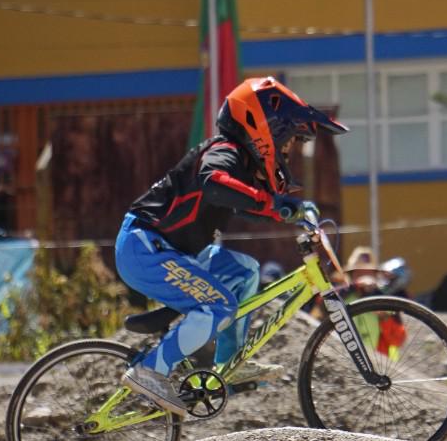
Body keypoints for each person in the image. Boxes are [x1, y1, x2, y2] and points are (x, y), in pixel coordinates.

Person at [115, 76, 347, 415]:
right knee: (218, 306)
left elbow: (243, 204)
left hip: (169, 251)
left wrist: (284, 211)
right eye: (288, 140)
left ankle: (229, 363)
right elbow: (214, 184)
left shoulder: (242, 164)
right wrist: (273, 203)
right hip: (144, 247)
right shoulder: (224, 152)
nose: (289, 150)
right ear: (265, 129)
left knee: (245, 270)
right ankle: (151, 369)